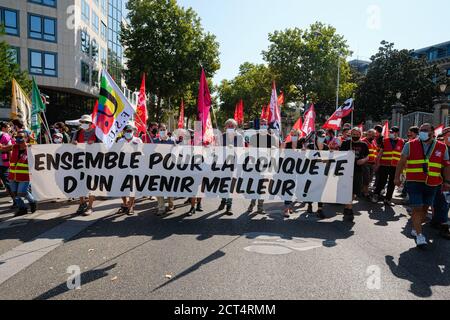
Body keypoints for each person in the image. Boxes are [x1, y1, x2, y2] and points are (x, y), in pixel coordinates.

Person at [395, 123, 450, 248]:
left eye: (425, 130)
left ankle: (416, 227)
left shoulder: (442, 147)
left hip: (433, 183)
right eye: (421, 130)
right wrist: (396, 177)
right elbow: (401, 161)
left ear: (432, 132)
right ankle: (420, 236)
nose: (422, 132)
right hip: (414, 182)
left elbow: (447, 165)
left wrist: (447, 181)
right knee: (417, 208)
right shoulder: (410, 144)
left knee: (425, 209)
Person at [247, 118, 280, 215]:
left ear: (267, 125)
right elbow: (251, 150)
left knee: (262, 187)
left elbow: (276, 151)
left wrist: (274, 148)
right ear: (259, 125)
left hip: (267, 165)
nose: (263, 125)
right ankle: (251, 204)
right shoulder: (254, 137)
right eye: (262, 123)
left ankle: (260, 207)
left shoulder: (272, 138)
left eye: (265, 123)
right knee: (254, 185)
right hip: (256, 165)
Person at [340, 127, 369, 222]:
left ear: (360, 135)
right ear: (350, 134)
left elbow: (367, 156)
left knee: (354, 191)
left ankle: (347, 207)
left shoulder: (364, 145)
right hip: (346, 170)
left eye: (357, 134)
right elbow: (339, 155)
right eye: (354, 134)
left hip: (358, 170)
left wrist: (363, 160)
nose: (355, 136)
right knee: (347, 190)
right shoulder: (345, 143)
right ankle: (349, 208)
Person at [72, 115, 99, 216]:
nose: (84, 123)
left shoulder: (97, 132)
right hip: (80, 162)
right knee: (80, 183)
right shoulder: (77, 132)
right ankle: (82, 203)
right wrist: (73, 143)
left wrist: (95, 143)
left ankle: (90, 206)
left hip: (93, 162)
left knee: (92, 185)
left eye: (86, 122)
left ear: (90, 123)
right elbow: (70, 145)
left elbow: (103, 146)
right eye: (82, 122)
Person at [217, 119, 244, 216]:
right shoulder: (222, 136)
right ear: (225, 127)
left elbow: (242, 150)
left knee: (231, 185)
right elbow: (217, 149)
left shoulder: (240, 137)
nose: (230, 127)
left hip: (234, 164)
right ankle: (223, 200)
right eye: (228, 126)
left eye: (232, 126)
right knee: (223, 183)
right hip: (224, 164)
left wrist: (235, 150)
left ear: (235, 127)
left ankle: (229, 205)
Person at [372, 126, 404, 206]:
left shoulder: (402, 142)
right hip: (384, 165)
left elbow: (403, 156)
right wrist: (377, 164)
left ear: (397, 133)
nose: (390, 133)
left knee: (392, 183)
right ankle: (376, 195)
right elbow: (380, 153)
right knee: (381, 181)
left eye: (392, 132)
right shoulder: (385, 141)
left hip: (395, 166)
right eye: (390, 132)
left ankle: (388, 199)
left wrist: (402, 168)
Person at [9, 130, 37, 216]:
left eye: (20, 137)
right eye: (16, 137)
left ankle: (33, 202)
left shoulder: (31, 148)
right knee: (15, 194)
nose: (18, 139)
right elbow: (3, 148)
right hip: (12, 175)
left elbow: (40, 149)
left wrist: (32, 141)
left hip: (24, 176)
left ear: (26, 138)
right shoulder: (14, 147)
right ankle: (22, 209)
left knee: (21, 193)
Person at [117, 123, 142, 215]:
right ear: (123, 132)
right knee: (122, 187)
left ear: (133, 132)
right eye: (126, 131)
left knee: (132, 187)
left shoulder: (138, 140)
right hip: (122, 167)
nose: (128, 133)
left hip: (133, 167)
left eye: (130, 131)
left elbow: (142, 152)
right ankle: (125, 204)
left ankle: (131, 206)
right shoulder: (120, 141)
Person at [430, 127, 450, 240]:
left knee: (442, 204)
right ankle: (444, 227)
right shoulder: (440, 148)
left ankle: (435, 221)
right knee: (444, 204)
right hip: (443, 181)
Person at [305, 130, 329, 219]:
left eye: (323, 136)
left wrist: (323, 160)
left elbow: (328, 159)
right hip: (311, 171)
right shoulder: (310, 146)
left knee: (320, 190)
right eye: (320, 136)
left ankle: (320, 209)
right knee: (311, 189)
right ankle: (309, 204)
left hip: (322, 171)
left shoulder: (326, 147)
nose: (322, 138)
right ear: (316, 137)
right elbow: (306, 158)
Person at [153, 123, 175, 216]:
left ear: (167, 130)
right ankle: (161, 207)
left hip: (170, 168)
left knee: (170, 187)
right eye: (160, 129)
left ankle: (171, 203)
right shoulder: (154, 141)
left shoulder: (172, 141)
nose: (162, 131)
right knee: (159, 188)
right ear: (158, 131)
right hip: (158, 168)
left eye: (164, 129)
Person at [282, 129, 304, 217]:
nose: (294, 136)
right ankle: (286, 209)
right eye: (292, 134)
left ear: (299, 136)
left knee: (295, 190)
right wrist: (281, 148)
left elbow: (303, 157)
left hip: (298, 171)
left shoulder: (301, 145)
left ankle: (290, 206)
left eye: (296, 135)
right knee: (288, 189)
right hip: (288, 171)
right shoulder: (287, 145)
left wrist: (303, 151)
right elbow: (281, 156)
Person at [0, 121, 15, 206]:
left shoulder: (5, 135)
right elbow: (10, 148)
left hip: (3, 163)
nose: (9, 128)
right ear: (3, 128)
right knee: (8, 183)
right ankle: (16, 201)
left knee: (8, 183)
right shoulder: (5, 136)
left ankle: (16, 200)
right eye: (8, 127)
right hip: (4, 163)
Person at [361, 129, 378, 198]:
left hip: (372, 163)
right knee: (366, 178)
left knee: (370, 178)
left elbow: (375, 152)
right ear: (368, 134)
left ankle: (363, 191)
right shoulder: (363, 141)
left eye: (374, 136)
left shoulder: (373, 142)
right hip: (366, 163)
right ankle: (365, 193)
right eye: (372, 135)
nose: (373, 137)